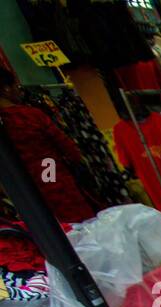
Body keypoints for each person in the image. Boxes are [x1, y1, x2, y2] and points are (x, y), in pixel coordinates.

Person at [0, 62, 99, 223]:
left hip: (22, 192)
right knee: (80, 226)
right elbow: (67, 148)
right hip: (52, 175)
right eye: (16, 87)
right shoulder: (30, 115)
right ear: (7, 89)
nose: (19, 91)